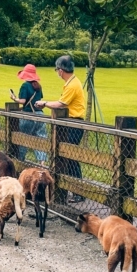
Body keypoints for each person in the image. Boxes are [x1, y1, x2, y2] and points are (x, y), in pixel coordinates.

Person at [36, 55, 86, 201]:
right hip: (70, 123)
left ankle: (78, 192)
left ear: (61, 70)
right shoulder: (72, 82)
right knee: (68, 156)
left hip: (74, 124)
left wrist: (44, 103)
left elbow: (61, 104)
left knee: (70, 157)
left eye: (57, 69)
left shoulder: (72, 85)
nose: (57, 73)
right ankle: (72, 189)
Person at [11, 64, 45, 163]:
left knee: (24, 140)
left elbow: (22, 101)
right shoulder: (38, 86)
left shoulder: (25, 85)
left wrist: (14, 98)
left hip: (28, 115)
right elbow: (38, 101)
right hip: (40, 115)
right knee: (40, 140)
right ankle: (42, 163)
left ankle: (20, 162)